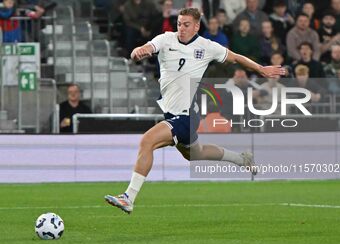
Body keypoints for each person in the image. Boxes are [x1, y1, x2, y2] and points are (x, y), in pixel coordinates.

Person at [104, 8, 285, 214]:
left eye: (186, 24)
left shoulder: (207, 47)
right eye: (179, 24)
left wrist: (261, 69)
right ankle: (241, 159)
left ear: (197, 26)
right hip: (173, 113)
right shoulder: (166, 39)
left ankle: (129, 197)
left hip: (186, 114)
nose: (181, 28)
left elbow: (235, 57)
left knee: (147, 141)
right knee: (195, 154)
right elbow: (145, 48)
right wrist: (138, 51)